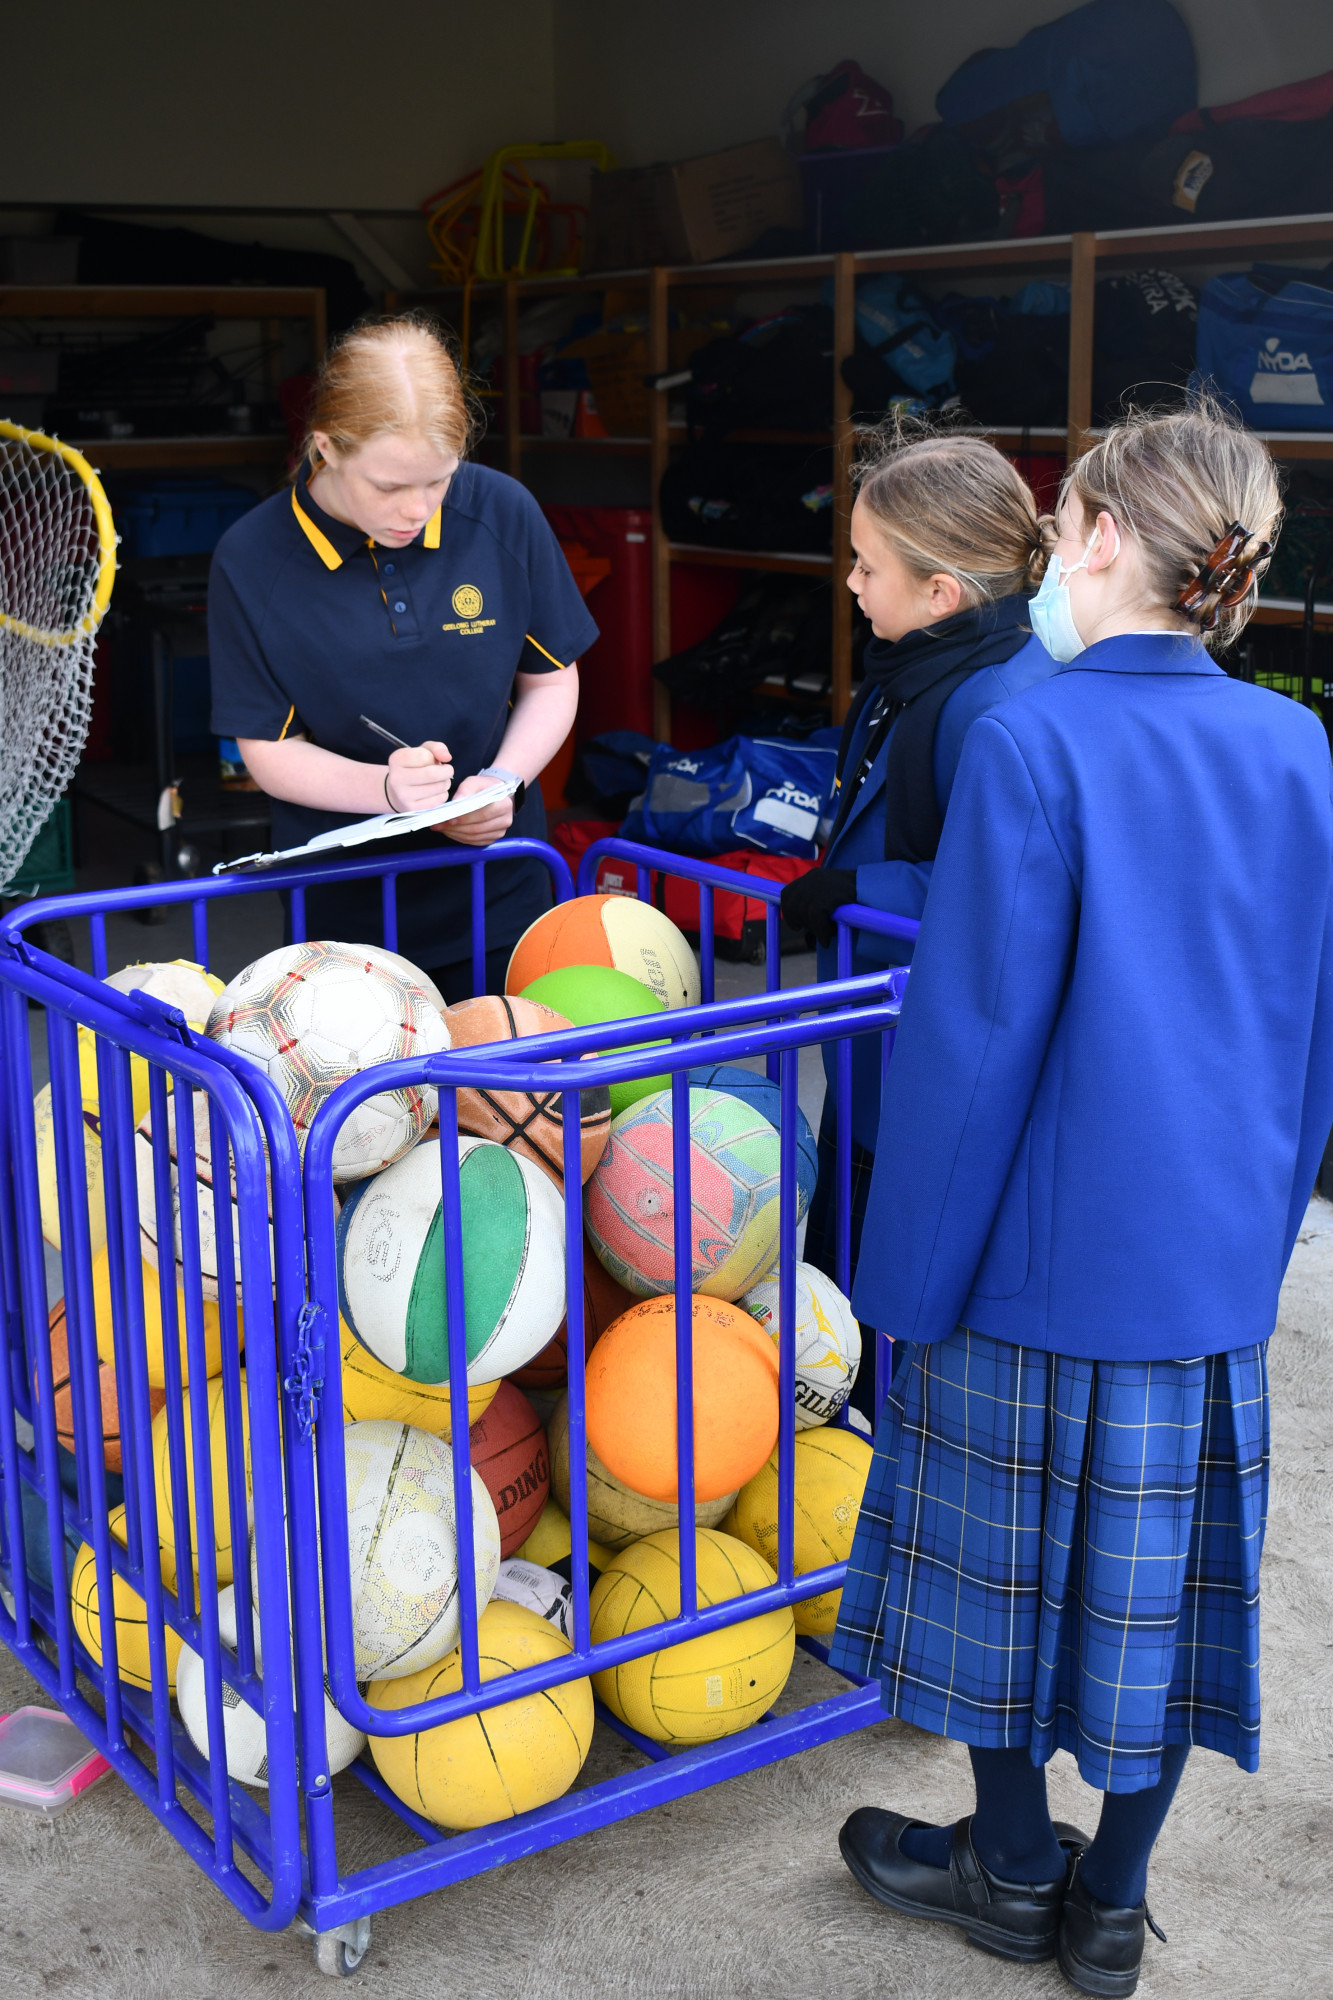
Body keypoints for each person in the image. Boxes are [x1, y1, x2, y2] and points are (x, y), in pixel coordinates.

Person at [829, 403, 1331, 1997]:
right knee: (1158, 1616)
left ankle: (1008, 1868)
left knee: (993, 1601)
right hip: (1202, 1273)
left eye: (1062, 520)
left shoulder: (1033, 740)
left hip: (1029, 1270)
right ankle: (1106, 1908)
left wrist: (902, 1284)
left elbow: (971, 1051)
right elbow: (1312, 1023)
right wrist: (1259, 1242)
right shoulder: (1297, 742)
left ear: (1104, 539)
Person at [781, 428, 1057, 1414]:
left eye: (866, 564)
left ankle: (875, 1451)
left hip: (923, 1052)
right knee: (843, 1258)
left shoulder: (995, 706)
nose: (850, 581)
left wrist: (858, 892)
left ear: (942, 591)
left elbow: (1004, 890)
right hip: (869, 1036)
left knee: (893, 1278)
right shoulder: (922, 665)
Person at [208, 312, 598, 1000]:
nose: (415, 509)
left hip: (502, 887)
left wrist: (503, 780)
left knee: (504, 1099)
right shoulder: (251, 556)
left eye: (438, 480)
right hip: (341, 913)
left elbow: (551, 681)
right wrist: (385, 793)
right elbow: (266, 749)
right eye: (388, 486)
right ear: (325, 448)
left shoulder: (502, 512)